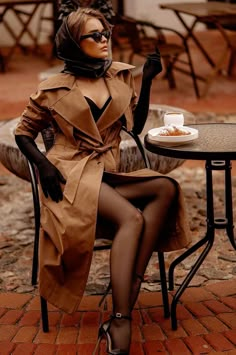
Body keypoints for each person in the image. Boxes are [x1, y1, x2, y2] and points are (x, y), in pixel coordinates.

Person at [15, 8, 190, 354]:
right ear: (74, 44)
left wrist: (149, 78)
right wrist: (43, 166)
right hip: (69, 176)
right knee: (132, 217)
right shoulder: (53, 89)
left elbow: (134, 127)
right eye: (94, 36)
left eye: (105, 33)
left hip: (104, 171)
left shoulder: (119, 77)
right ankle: (122, 318)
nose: (104, 40)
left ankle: (129, 287)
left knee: (166, 188)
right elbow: (23, 134)